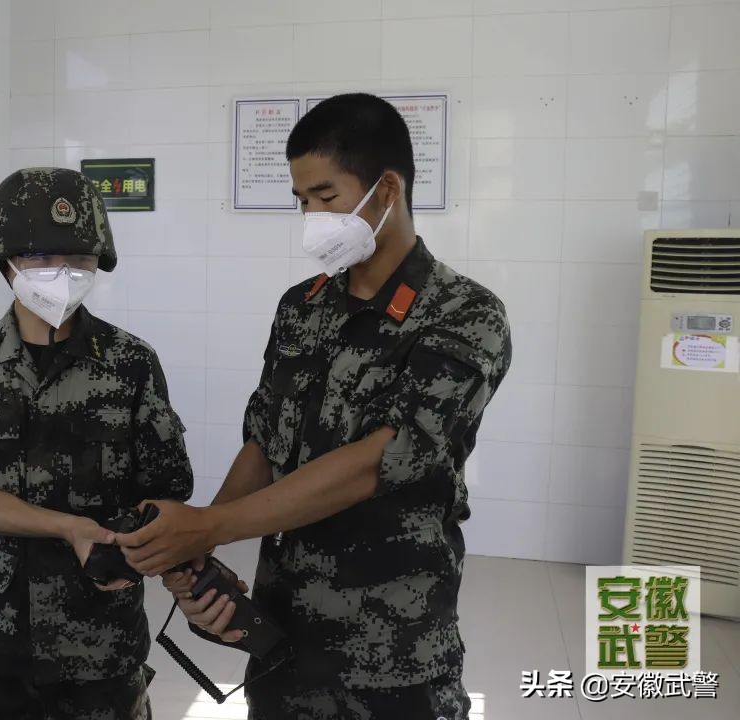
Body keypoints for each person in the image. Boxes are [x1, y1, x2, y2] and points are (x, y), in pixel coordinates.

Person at [117, 94, 513, 719]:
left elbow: (379, 460)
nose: (312, 217)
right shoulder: (301, 307)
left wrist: (210, 526)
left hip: (395, 651)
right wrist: (200, 548)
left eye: (326, 198)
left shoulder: (465, 314)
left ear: (386, 189)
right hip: (286, 640)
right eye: (302, 201)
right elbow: (264, 442)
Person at [0, 167, 193, 720]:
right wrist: (66, 526)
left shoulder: (131, 363)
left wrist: (144, 547)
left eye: (79, 260)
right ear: (6, 265)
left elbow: (168, 489)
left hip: (103, 636)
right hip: (1, 637)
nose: (61, 275)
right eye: (42, 260)